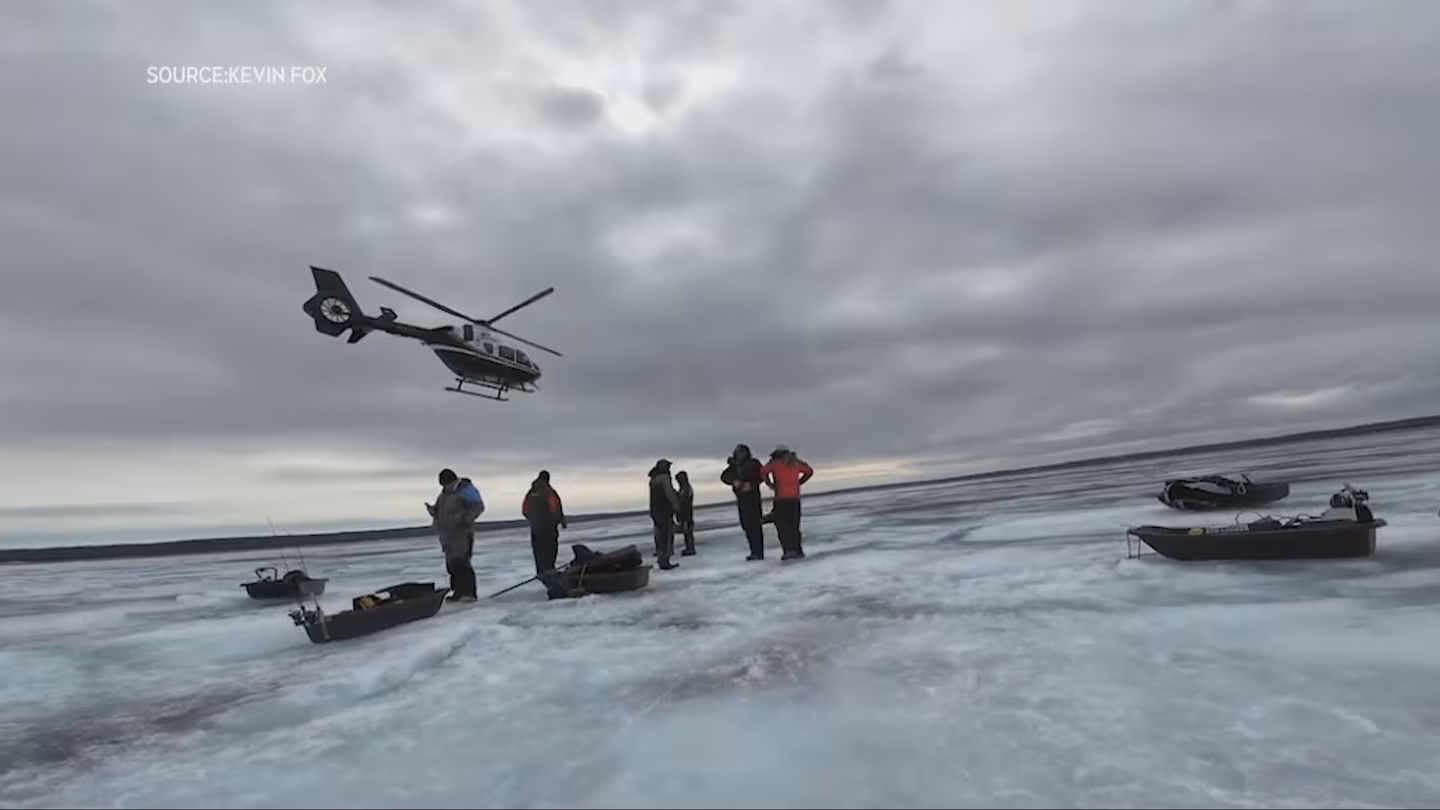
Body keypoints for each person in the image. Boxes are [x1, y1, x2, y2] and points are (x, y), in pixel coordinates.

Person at [425, 468, 486, 601]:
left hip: (462, 534)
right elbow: (441, 510)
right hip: (448, 536)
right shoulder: (443, 495)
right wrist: (433, 510)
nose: (446, 487)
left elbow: (478, 506)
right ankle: (458, 591)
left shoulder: (466, 490)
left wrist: (464, 518)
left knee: (463, 563)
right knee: (452, 565)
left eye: (447, 484)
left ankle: (469, 593)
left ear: (453, 480)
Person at [761, 445, 814, 560]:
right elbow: (809, 471)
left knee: (782, 526)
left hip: (781, 499)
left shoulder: (775, 463)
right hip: (794, 498)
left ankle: (788, 551)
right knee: (794, 526)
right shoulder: (795, 462)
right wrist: (799, 482)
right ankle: (798, 551)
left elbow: (763, 472)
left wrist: (770, 484)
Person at [720, 443, 767, 560]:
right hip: (741, 498)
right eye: (738, 453)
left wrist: (751, 484)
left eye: (742, 452)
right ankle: (754, 551)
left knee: (755, 525)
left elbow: (762, 475)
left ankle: (758, 552)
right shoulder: (734, 466)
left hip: (753, 497)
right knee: (746, 525)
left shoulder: (753, 463)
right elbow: (724, 477)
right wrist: (734, 481)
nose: (740, 455)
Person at [522, 470, 568, 579]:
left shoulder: (531, 492)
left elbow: (525, 510)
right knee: (550, 549)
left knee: (538, 550)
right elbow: (555, 508)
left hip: (535, 529)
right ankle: (549, 571)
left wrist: (533, 520)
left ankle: (541, 572)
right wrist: (559, 521)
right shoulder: (548, 491)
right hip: (548, 527)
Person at [648, 458, 682, 570]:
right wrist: (676, 506)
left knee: (659, 536)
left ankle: (661, 558)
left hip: (655, 511)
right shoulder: (664, 478)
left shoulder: (653, 479)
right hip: (664, 511)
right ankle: (665, 560)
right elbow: (669, 493)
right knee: (666, 535)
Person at [675, 470, 697, 557]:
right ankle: (689, 548)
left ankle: (690, 548)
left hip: (686, 513)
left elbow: (683, 501)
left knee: (688, 531)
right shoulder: (685, 488)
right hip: (686, 513)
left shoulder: (686, 489)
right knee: (687, 532)